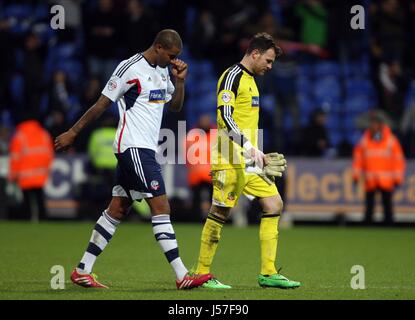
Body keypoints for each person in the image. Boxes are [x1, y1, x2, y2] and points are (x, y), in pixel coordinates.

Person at [54, 29, 212, 289]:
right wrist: (73, 132)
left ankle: (83, 269)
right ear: (159, 47)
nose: (174, 61)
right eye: (171, 55)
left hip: (146, 149)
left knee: (117, 209)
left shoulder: (164, 71)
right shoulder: (130, 68)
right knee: (161, 207)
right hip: (133, 147)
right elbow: (101, 104)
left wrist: (180, 81)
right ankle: (182, 275)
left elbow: (174, 106)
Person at [194, 33, 301, 289]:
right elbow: (224, 117)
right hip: (228, 157)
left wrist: (254, 152)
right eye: (268, 60)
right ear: (255, 53)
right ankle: (200, 273)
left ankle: (268, 272)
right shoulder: (232, 76)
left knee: (274, 203)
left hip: (248, 159)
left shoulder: (253, 81)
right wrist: (249, 146)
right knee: (220, 212)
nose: (270, 66)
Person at [352, 113, 406, 225]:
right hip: (370, 178)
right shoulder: (364, 141)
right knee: (369, 205)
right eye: (371, 124)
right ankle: (368, 224)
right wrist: (356, 176)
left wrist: (397, 178)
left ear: (381, 125)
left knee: (387, 204)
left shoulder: (391, 140)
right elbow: (358, 160)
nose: (372, 126)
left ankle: (389, 224)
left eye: (375, 124)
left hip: (386, 179)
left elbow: (398, 160)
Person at [8, 114, 54, 221]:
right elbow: (49, 154)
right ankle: (43, 219)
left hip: (25, 176)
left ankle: (26, 219)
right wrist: (46, 170)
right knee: (39, 199)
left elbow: (15, 158)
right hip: (40, 175)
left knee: (27, 201)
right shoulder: (44, 134)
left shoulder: (20, 136)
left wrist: (13, 175)